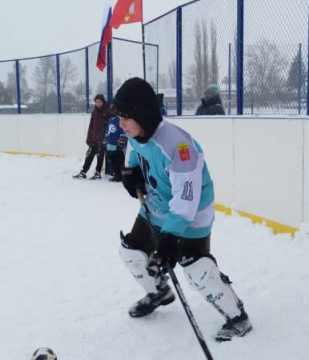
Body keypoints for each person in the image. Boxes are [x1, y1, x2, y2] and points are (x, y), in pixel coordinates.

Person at [111, 77, 251, 341]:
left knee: (195, 269)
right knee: (130, 252)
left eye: (125, 118)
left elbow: (186, 200)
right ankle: (159, 292)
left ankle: (237, 316)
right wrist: (132, 174)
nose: (121, 125)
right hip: (155, 208)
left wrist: (170, 238)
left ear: (142, 114)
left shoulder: (178, 146)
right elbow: (137, 155)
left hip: (191, 216)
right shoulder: (137, 133)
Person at [73, 94, 109, 179]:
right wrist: (89, 138)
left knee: (100, 157)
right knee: (89, 155)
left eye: (99, 101)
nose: (98, 103)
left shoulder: (107, 112)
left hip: (102, 139)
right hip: (93, 139)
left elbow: (109, 126)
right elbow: (91, 126)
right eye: (96, 102)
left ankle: (97, 173)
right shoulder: (94, 112)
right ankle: (83, 172)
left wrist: (105, 138)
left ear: (103, 102)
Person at [104, 113, 127, 181]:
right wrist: (106, 139)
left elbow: (124, 130)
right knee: (113, 161)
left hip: (118, 145)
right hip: (111, 145)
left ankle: (121, 176)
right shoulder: (110, 119)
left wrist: (122, 140)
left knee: (119, 161)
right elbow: (108, 131)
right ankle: (117, 175)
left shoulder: (122, 119)